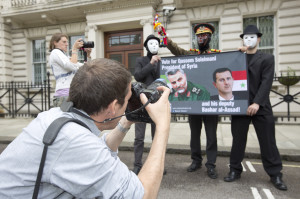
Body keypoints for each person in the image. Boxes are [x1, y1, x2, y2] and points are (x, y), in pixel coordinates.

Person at [0, 58, 171, 198]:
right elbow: (143, 195)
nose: (128, 103)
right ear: (112, 107)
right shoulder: (74, 141)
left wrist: (125, 122)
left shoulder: (54, 116)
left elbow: (97, 151)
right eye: (127, 99)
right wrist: (163, 126)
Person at [223, 24, 288, 191]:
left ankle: (275, 174)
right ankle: (234, 170)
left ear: (259, 39)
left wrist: (257, 103)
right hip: (241, 107)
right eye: (246, 37)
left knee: (268, 142)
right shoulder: (238, 58)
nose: (249, 39)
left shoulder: (267, 58)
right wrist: (237, 55)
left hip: (261, 106)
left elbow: (266, 83)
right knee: (238, 141)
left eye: (252, 37)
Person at [162, 23, 219, 179]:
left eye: (205, 36)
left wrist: (242, 53)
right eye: (199, 36)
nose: (202, 38)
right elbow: (176, 50)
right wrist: (166, 39)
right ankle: (196, 160)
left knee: (211, 134)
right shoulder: (190, 53)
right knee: (195, 134)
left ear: (210, 37)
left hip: (211, 100)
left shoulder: (217, 54)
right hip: (194, 100)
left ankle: (211, 164)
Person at [133, 34, 162, 175]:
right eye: (151, 43)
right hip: (142, 102)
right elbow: (138, 76)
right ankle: (137, 164)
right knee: (139, 137)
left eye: (157, 43)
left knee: (156, 136)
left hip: (157, 102)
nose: (154, 46)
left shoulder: (162, 62)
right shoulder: (141, 60)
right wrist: (151, 64)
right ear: (146, 46)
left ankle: (155, 165)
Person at [49, 33, 92, 107]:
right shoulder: (55, 52)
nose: (67, 44)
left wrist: (87, 55)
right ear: (55, 42)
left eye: (67, 42)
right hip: (64, 95)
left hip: (72, 93)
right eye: (64, 42)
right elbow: (71, 66)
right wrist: (74, 49)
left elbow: (85, 67)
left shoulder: (65, 56)